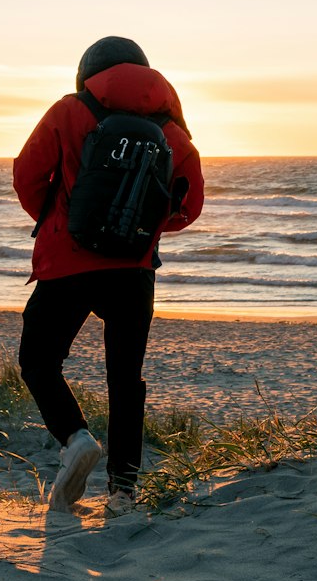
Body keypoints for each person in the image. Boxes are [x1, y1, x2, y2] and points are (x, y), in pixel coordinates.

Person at [13, 36, 204, 513]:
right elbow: (190, 204)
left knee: (39, 361)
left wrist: (59, 219)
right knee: (125, 379)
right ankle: (123, 491)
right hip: (133, 272)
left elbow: (26, 175)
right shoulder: (172, 131)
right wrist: (146, 231)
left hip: (67, 264)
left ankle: (75, 439)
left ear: (88, 73)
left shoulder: (68, 111)